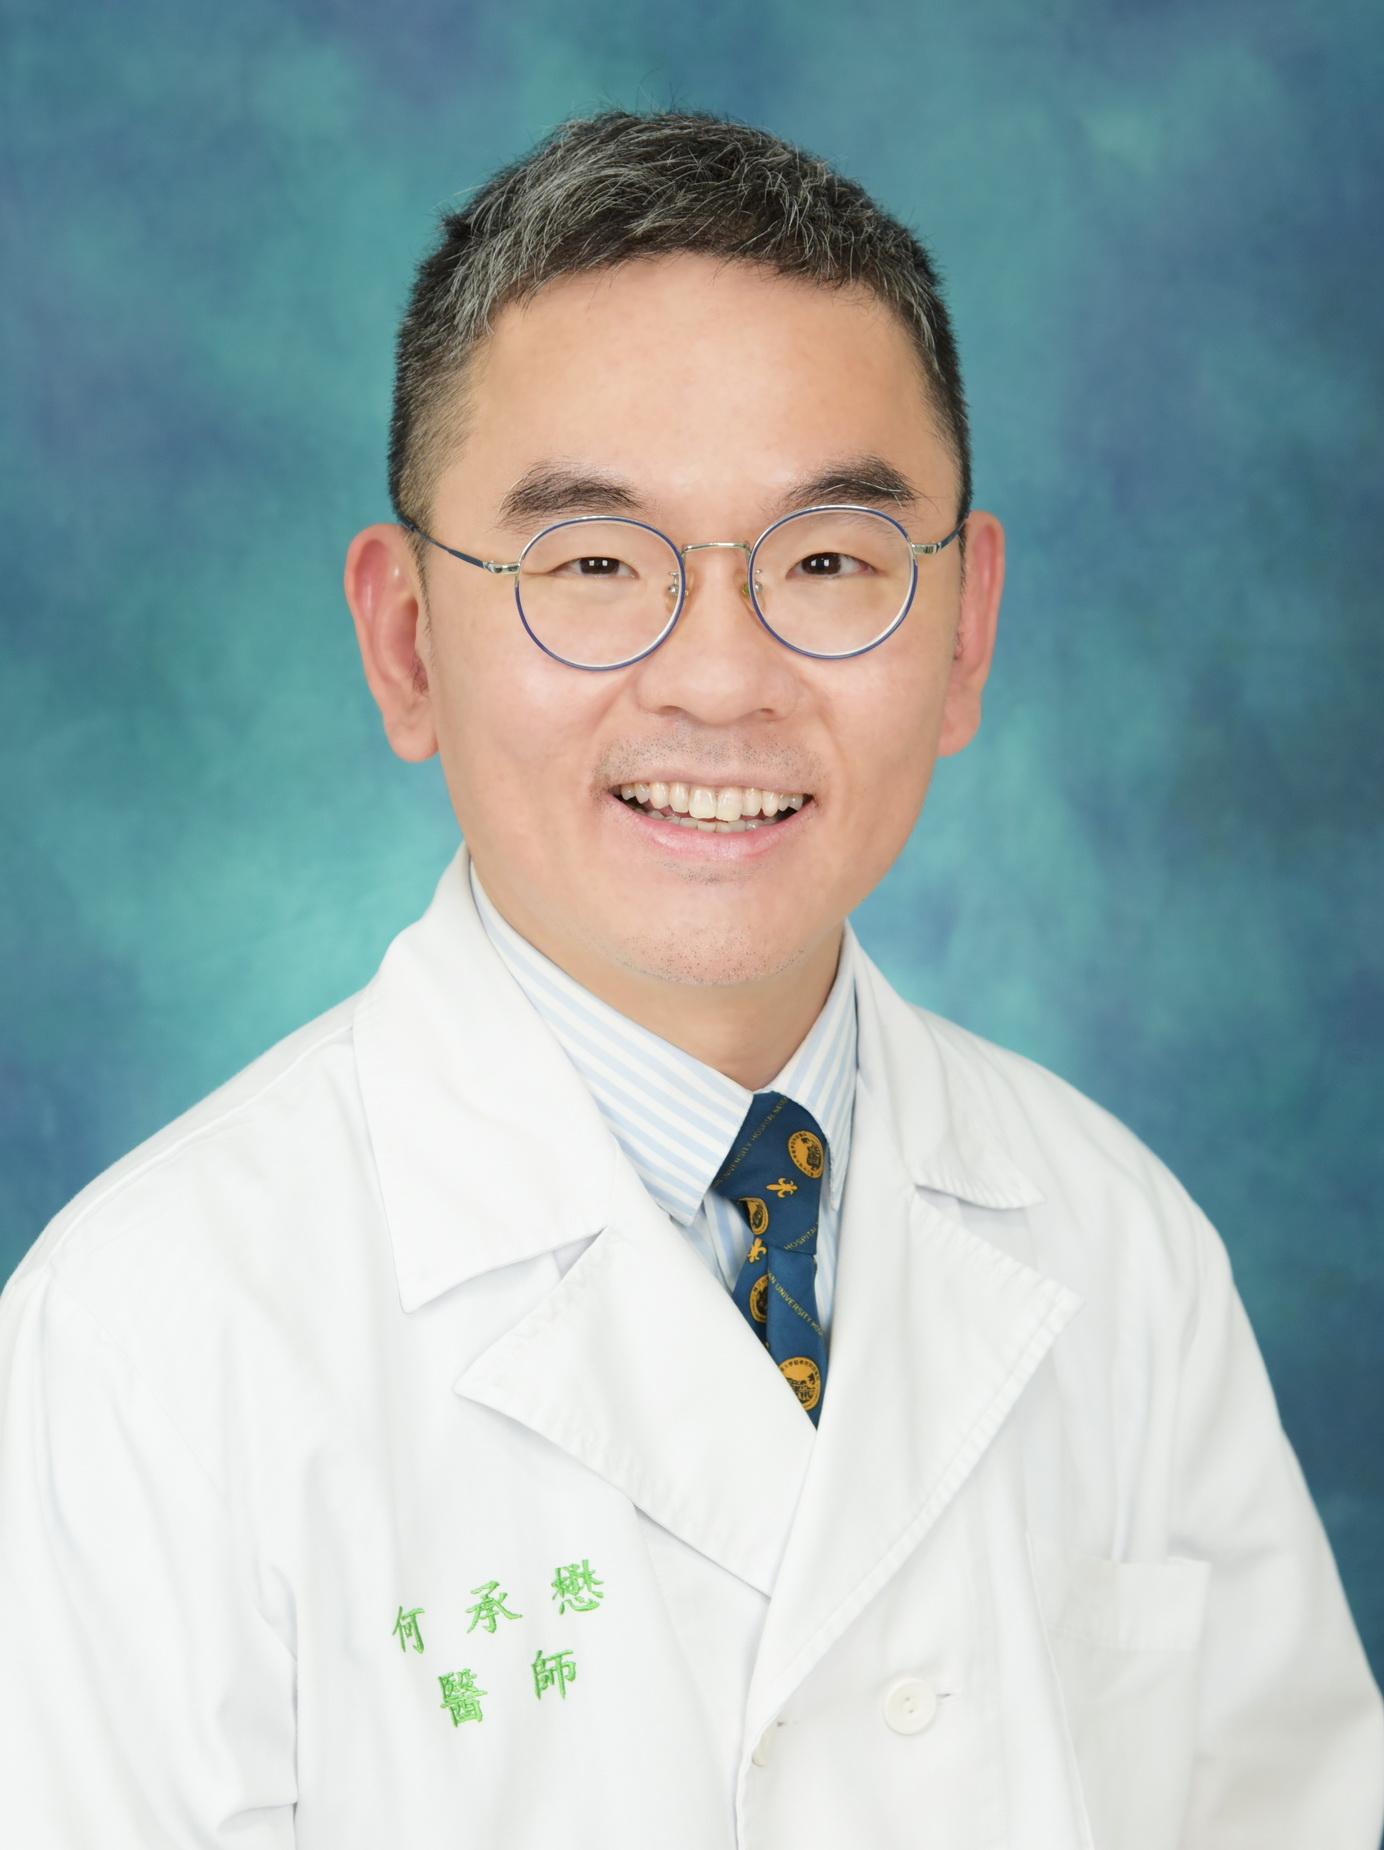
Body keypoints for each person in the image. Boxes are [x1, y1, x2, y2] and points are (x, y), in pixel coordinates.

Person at [1, 107, 1379, 1850]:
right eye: (592, 565)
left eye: (828, 561)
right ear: (407, 641)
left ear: (964, 631)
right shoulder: (146, 1338)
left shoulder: (1123, 1246)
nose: (721, 680)